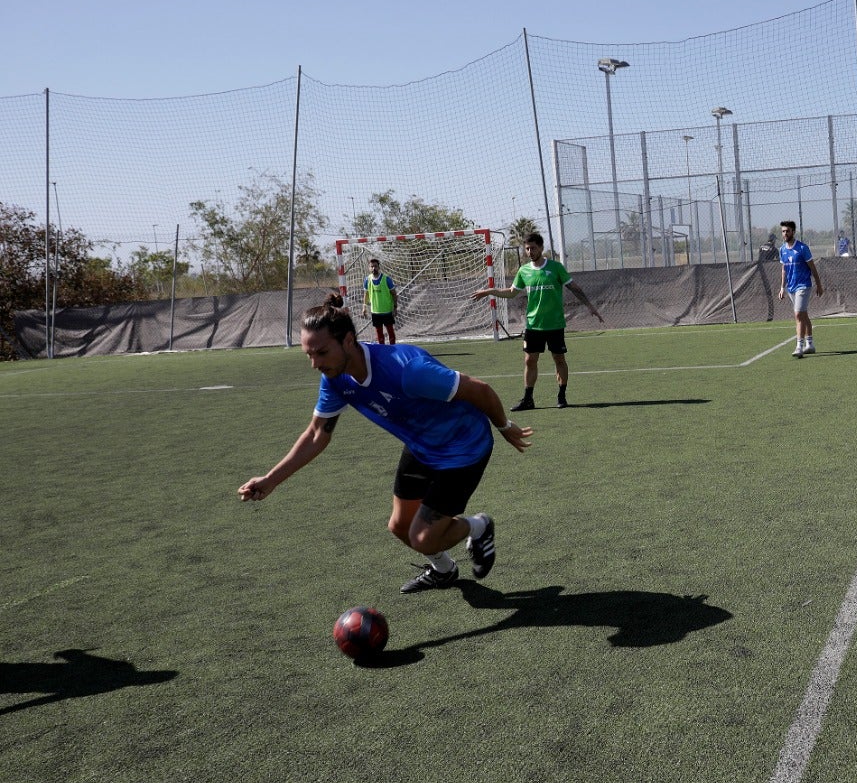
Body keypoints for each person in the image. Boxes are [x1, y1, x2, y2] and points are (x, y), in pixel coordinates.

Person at [238, 297, 533, 593]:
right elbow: (317, 434)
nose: (315, 364)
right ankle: (444, 570)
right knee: (399, 527)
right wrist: (270, 479)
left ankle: (479, 526)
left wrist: (504, 426)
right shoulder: (336, 378)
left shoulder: (406, 370)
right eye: (308, 355)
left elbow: (478, 389)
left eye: (322, 352)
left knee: (422, 538)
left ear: (349, 340)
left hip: (463, 450)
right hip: (420, 447)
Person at [471, 234, 604, 410]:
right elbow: (511, 292)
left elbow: (574, 287)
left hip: (555, 324)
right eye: (527, 248)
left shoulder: (556, 267)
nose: (530, 251)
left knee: (559, 359)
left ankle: (562, 396)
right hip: (533, 325)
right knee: (529, 361)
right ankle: (528, 399)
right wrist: (490, 291)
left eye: (533, 248)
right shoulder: (524, 271)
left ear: (541, 248)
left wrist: (590, 306)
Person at [777, 221, 824, 357]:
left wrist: (819, 284)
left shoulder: (802, 248)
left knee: (798, 315)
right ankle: (810, 344)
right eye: (783, 231)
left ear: (793, 232)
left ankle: (799, 346)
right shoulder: (782, 250)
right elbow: (784, 269)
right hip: (791, 287)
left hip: (803, 286)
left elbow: (812, 267)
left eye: (787, 231)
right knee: (803, 315)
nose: (785, 234)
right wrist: (782, 287)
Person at [363, 258, 399, 345]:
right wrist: (364, 307)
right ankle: (382, 350)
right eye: (371, 266)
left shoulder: (387, 279)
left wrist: (395, 308)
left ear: (379, 267)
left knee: (390, 331)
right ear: (369, 268)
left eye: (375, 266)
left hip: (387, 311)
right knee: (379, 334)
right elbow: (366, 294)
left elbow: (394, 294)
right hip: (375, 311)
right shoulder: (367, 280)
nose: (373, 268)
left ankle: (393, 348)